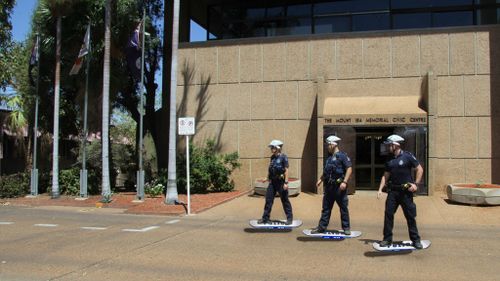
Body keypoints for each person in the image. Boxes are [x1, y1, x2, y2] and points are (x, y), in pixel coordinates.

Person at [377, 134, 424, 249]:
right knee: (388, 215)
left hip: (405, 192)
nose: (388, 147)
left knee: (410, 216)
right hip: (392, 192)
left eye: (390, 145)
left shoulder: (407, 156)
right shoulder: (389, 159)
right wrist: (380, 189)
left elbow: (419, 169)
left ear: (395, 145)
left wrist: (416, 184)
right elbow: (385, 175)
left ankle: (416, 239)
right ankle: (387, 239)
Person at [312, 135, 353, 234]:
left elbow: (349, 169)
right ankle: (322, 227)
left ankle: (346, 228)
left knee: (343, 208)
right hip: (329, 187)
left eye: (328, 145)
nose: (327, 147)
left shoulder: (342, 156)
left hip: (339, 187)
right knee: (326, 208)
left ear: (333, 145)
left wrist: (344, 182)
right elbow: (326, 172)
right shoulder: (329, 158)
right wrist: (320, 180)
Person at [258, 140, 293, 225]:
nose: (271, 149)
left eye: (272, 147)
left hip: (281, 182)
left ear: (277, 148)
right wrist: (266, 178)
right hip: (272, 182)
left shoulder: (283, 157)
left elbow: (286, 170)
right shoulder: (272, 157)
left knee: (285, 200)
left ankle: (289, 218)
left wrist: (286, 182)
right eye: (271, 147)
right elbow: (271, 170)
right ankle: (265, 218)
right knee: (268, 200)